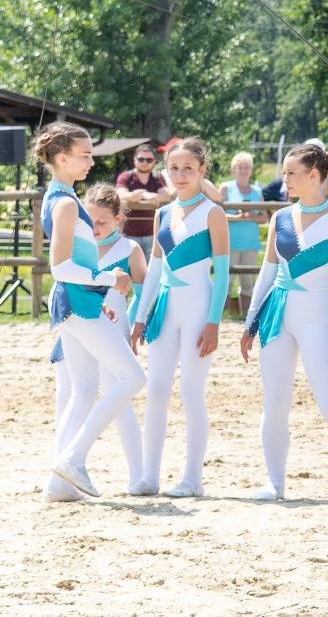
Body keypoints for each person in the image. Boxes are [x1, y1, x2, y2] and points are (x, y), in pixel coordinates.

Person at [240, 142, 328, 504]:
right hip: (277, 315)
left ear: (313, 175)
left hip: (316, 312)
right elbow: (267, 272)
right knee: (275, 402)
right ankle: (275, 483)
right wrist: (250, 324)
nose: (283, 179)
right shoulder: (279, 218)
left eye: (290, 173)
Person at [37, 122, 145, 501]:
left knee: (84, 391)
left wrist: (99, 287)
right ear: (62, 158)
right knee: (132, 378)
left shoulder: (61, 197)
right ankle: (73, 461)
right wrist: (109, 277)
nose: (90, 161)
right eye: (84, 155)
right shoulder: (66, 203)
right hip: (77, 300)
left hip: (80, 300)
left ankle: (59, 483)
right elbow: (60, 266)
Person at [131, 137, 229, 497]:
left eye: (188, 168)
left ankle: (192, 478)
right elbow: (155, 268)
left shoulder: (212, 213)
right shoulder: (163, 213)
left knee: (190, 392)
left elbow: (223, 273)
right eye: (174, 168)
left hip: (199, 308)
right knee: (156, 390)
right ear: (165, 171)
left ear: (203, 170)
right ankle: (149, 475)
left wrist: (214, 322)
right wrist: (141, 316)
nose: (181, 174)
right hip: (165, 310)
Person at [223, 151, 267, 315]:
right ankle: (224, 316)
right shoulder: (226, 188)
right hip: (230, 243)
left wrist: (250, 216)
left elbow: (264, 217)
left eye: (246, 167)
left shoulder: (257, 190)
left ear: (251, 170)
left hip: (251, 243)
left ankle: (246, 317)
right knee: (226, 281)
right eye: (240, 167)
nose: (243, 170)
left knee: (248, 281)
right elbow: (217, 215)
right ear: (233, 169)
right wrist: (238, 217)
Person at [115, 142, 167, 258]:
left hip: (152, 235)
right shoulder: (126, 176)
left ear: (154, 161)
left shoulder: (157, 177)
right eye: (141, 159)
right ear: (134, 160)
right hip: (127, 235)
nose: (145, 163)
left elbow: (166, 195)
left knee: (151, 271)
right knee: (127, 273)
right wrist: (145, 194)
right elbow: (121, 193)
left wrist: (141, 195)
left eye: (149, 160)